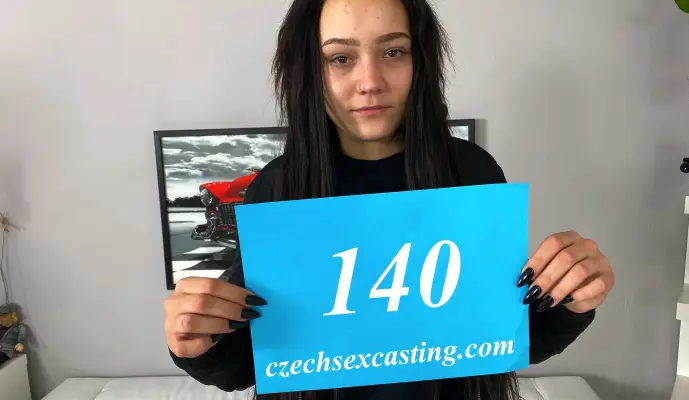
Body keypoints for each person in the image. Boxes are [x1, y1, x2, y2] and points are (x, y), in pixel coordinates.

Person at [164, 0, 616, 399]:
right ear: (309, 71)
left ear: (421, 61)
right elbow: (248, 363)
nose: (370, 82)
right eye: (340, 58)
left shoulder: (472, 172)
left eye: (393, 52)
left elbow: (503, 338)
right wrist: (195, 341)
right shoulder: (276, 188)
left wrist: (573, 298)